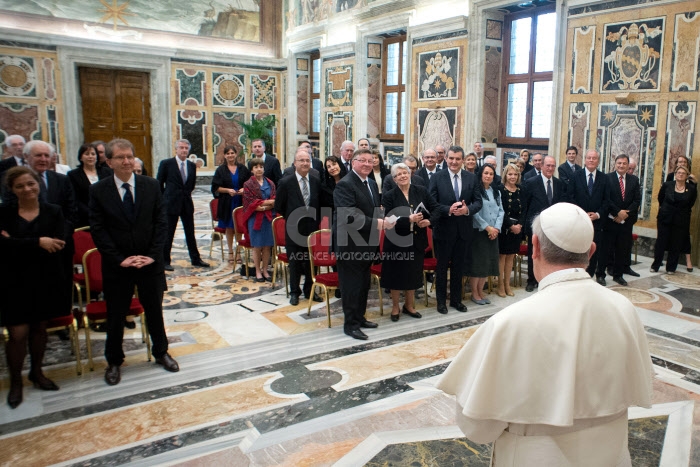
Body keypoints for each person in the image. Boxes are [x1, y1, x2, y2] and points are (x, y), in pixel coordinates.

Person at [437, 202, 653, 466]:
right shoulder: (624, 309)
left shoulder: (510, 323)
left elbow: (478, 428)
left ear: (535, 246)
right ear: (591, 252)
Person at [89, 138, 179, 386]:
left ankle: (161, 352)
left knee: (154, 310)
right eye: (120, 157)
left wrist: (151, 255)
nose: (127, 161)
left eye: (129, 156)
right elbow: (98, 229)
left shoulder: (150, 186)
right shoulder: (99, 190)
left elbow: (162, 223)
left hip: (149, 263)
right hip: (118, 265)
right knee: (116, 313)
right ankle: (114, 361)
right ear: (109, 162)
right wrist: (120, 259)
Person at [1, 166, 66, 408]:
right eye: (20, 186)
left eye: (31, 184)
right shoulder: (4, 214)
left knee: (40, 329)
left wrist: (15, 243)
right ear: (12, 189)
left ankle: (36, 373)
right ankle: (16, 382)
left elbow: (59, 243)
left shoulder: (53, 212)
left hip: (45, 278)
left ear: (39, 184)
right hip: (13, 281)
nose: (27, 189)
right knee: (17, 334)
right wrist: (39, 241)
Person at [333, 148, 391, 340]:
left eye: (370, 160)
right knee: (351, 287)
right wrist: (378, 223)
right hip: (349, 244)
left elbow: (373, 209)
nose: (367, 164)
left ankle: (360, 317)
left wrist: (384, 217)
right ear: (353, 162)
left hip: (367, 242)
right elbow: (350, 215)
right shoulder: (345, 184)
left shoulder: (372, 184)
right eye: (362, 160)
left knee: (364, 284)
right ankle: (350, 325)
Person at [381, 163, 438, 321]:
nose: (403, 176)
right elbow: (388, 220)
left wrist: (429, 221)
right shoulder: (389, 196)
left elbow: (436, 208)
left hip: (416, 241)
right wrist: (408, 219)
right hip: (396, 242)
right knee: (395, 276)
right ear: (394, 179)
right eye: (399, 174)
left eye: (405, 172)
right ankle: (395, 307)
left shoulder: (421, 191)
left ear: (410, 173)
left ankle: (409, 305)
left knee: (413, 275)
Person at [429, 146, 482, 314]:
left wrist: (467, 210)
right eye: (451, 158)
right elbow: (431, 203)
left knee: (459, 267)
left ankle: (456, 300)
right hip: (444, 229)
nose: (454, 162)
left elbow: (478, 202)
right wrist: (448, 209)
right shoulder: (437, 177)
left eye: (458, 159)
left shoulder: (471, 178)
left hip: (463, 230)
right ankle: (441, 302)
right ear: (446, 159)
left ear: (463, 160)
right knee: (442, 268)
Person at [274, 148, 323, 305]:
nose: (305, 163)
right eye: (301, 160)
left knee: (311, 262)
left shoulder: (316, 181)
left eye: (307, 160)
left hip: (312, 229)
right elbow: (279, 206)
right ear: (294, 163)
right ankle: (295, 292)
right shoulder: (286, 182)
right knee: (295, 262)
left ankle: (310, 290)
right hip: (294, 229)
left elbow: (320, 204)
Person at [157, 139, 210, 271]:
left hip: (186, 203)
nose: (184, 150)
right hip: (171, 204)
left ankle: (195, 259)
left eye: (186, 148)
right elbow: (159, 183)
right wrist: (165, 198)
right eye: (181, 147)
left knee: (190, 233)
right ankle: (165, 260)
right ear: (176, 149)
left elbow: (191, 185)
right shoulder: (166, 164)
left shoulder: (191, 165)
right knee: (169, 233)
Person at [522, 155, 568, 292]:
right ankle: (531, 280)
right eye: (548, 165)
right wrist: (525, 227)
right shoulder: (530, 183)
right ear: (541, 166)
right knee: (534, 253)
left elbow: (561, 205)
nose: (550, 168)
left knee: (551, 254)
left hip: (553, 226)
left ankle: (548, 279)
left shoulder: (560, 184)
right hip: (536, 225)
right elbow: (526, 206)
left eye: (553, 166)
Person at [571, 149, 609, 285]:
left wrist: (597, 214)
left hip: (597, 223)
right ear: (585, 160)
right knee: (579, 250)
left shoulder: (605, 178)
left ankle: (590, 276)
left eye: (594, 158)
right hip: (579, 221)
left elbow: (607, 200)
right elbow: (571, 197)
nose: (591, 160)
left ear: (598, 161)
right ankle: (578, 276)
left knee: (594, 250)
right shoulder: (576, 176)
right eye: (589, 158)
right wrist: (582, 214)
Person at [602, 154, 641, 286]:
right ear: (615, 163)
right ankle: (601, 274)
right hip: (611, 220)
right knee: (607, 248)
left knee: (622, 249)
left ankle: (618, 275)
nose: (621, 165)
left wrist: (625, 213)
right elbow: (606, 199)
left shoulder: (634, 180)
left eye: (624, 163)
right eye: (619, 163)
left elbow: (637, 200)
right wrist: (617, 213)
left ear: (628, 165)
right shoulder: (607, 178)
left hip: (626, 222)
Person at [651, 165, 697, 274]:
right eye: (678, 172)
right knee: (661, 242)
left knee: (676, 243)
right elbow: (660, 198)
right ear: (675, 175)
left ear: (687, 176)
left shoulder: (691, 188)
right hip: (665, 218)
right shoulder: (667, 185)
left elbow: (691, 203)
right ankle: (655, 265)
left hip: (681, 220)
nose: (680, 174)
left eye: (683, 173)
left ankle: (671, 268)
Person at [468, 164, 504, 305]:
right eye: (486, 173)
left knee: (487, 264)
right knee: (478, 264)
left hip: (493, 233)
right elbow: (474, 212)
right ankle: (474, 292)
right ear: (481, 175)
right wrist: (487, 227)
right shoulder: (475, 191)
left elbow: (501, 211)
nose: (488, 176)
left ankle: (481, 291)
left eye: (491, 174)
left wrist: (496, 228)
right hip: (479, 232)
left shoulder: (496, 192)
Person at [212, 145, 251, 263]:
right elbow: (215, 187)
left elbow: (250, 183)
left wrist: (244, 189)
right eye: (228, 153)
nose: (230, 155)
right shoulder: (220, 170)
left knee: (238, 228)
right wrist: (228, 190)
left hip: (240, 202)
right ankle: (230, 252)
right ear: (224, 155)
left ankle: (238, 252)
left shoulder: (243, 169)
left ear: (236, 154)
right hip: (227, 203)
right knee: (229, 228)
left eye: (232, 153)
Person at [242, 157, 276, 282]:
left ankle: (265, 270)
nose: (259, 169)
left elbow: (274, 199)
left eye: (261, 167)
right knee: (257, 246)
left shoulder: (270, 183)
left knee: (267, 246)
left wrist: (264, 204)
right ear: (252, 170)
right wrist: (261, 205)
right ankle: (257, 271)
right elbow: (249, 202)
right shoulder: (248, 184)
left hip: (268, 217)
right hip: (255, 218)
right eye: (256, 167)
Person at [68, 143, 112, 228]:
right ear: (81, 157)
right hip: (85, 218)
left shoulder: (108, 172)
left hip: (108, 216)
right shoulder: (73, 175)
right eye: (87, 154)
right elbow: (75, 198)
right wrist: (92, 212)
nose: (90, 156)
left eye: (93, 154)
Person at [497, 163, 524, 297]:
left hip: (517, 229)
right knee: (502, 257)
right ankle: (500, 285)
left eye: (515, 174)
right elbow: (500, 210)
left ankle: (508, 284)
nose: (512, 177)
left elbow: (524, 210)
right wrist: (510, 226)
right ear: (505, 175)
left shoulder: (521, 190)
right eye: (510, 174)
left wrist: (519, 225)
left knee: (511, 257)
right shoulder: (500, 189)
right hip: (504, 227)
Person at [665, 155, 696, 271]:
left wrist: (695, 183)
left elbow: (693, 197)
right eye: (679, 162)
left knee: (685, 236)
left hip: (683, 214)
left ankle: (688, 261)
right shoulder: (670, 176)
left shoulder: (691, 178)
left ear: (687, 164)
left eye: (684, 162)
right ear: (676, 164)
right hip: (669, 213)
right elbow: (664, 193)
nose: (682, 163)